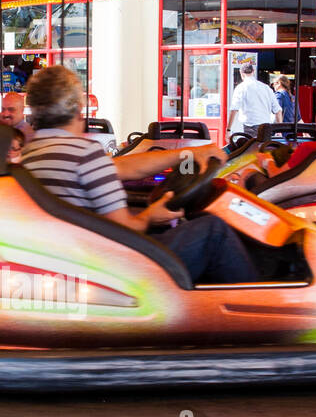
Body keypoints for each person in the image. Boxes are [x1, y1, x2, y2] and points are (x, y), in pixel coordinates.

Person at [20, 65, 257, 285]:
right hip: (110, 269)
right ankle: (259, 316)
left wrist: (186, 154)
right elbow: (125, 230)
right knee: (213, 231)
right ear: (79, 110)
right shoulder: (84, 155)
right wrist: (149, 216)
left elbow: (127, 167)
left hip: (72, 258)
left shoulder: (31, 155)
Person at [259, 95, 316, 176]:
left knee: (252, 174)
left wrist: (267, 161)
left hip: (308, 194)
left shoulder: (309, 149)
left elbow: (277, 176)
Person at [227, 62, 281, 137]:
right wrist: (279, 131)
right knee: (265, 148)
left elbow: (234, 110)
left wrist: (228, 129)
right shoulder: (266, 87)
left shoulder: (241, 88)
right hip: (266, 127)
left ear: (241, 73)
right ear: (253, 71)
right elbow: (278, 110)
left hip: (249, 128)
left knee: (251, 148)